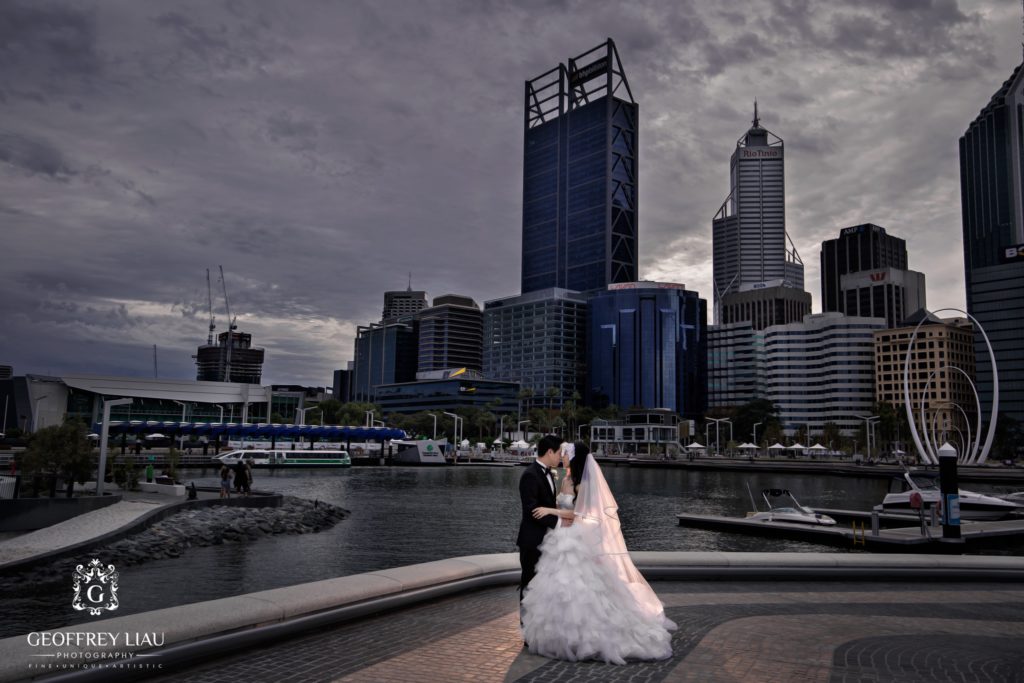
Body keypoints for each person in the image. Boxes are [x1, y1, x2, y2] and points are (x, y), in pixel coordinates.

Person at [521, 441, 676, 665]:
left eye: (566, 454)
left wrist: (551, 510)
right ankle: (559, 634)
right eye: (561, 453)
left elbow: (581, 513)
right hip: (560, 537)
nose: (562, 457)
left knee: (580, 587)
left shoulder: (582, 485)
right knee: (559, 588)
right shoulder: (564, 478)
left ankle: (587, 636)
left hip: (573, 538)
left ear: (574, 458)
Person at [516, 434, 563, 602]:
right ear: (550, 452)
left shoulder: (549, 473)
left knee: (542, 585)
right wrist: (560, 522)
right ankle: (525, 625)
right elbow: (532, 510)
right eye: (559, 453)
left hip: (546, 539)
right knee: (529, 584)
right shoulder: (530, 475)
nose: (560, 457)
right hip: (532, 540)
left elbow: (548, 505)